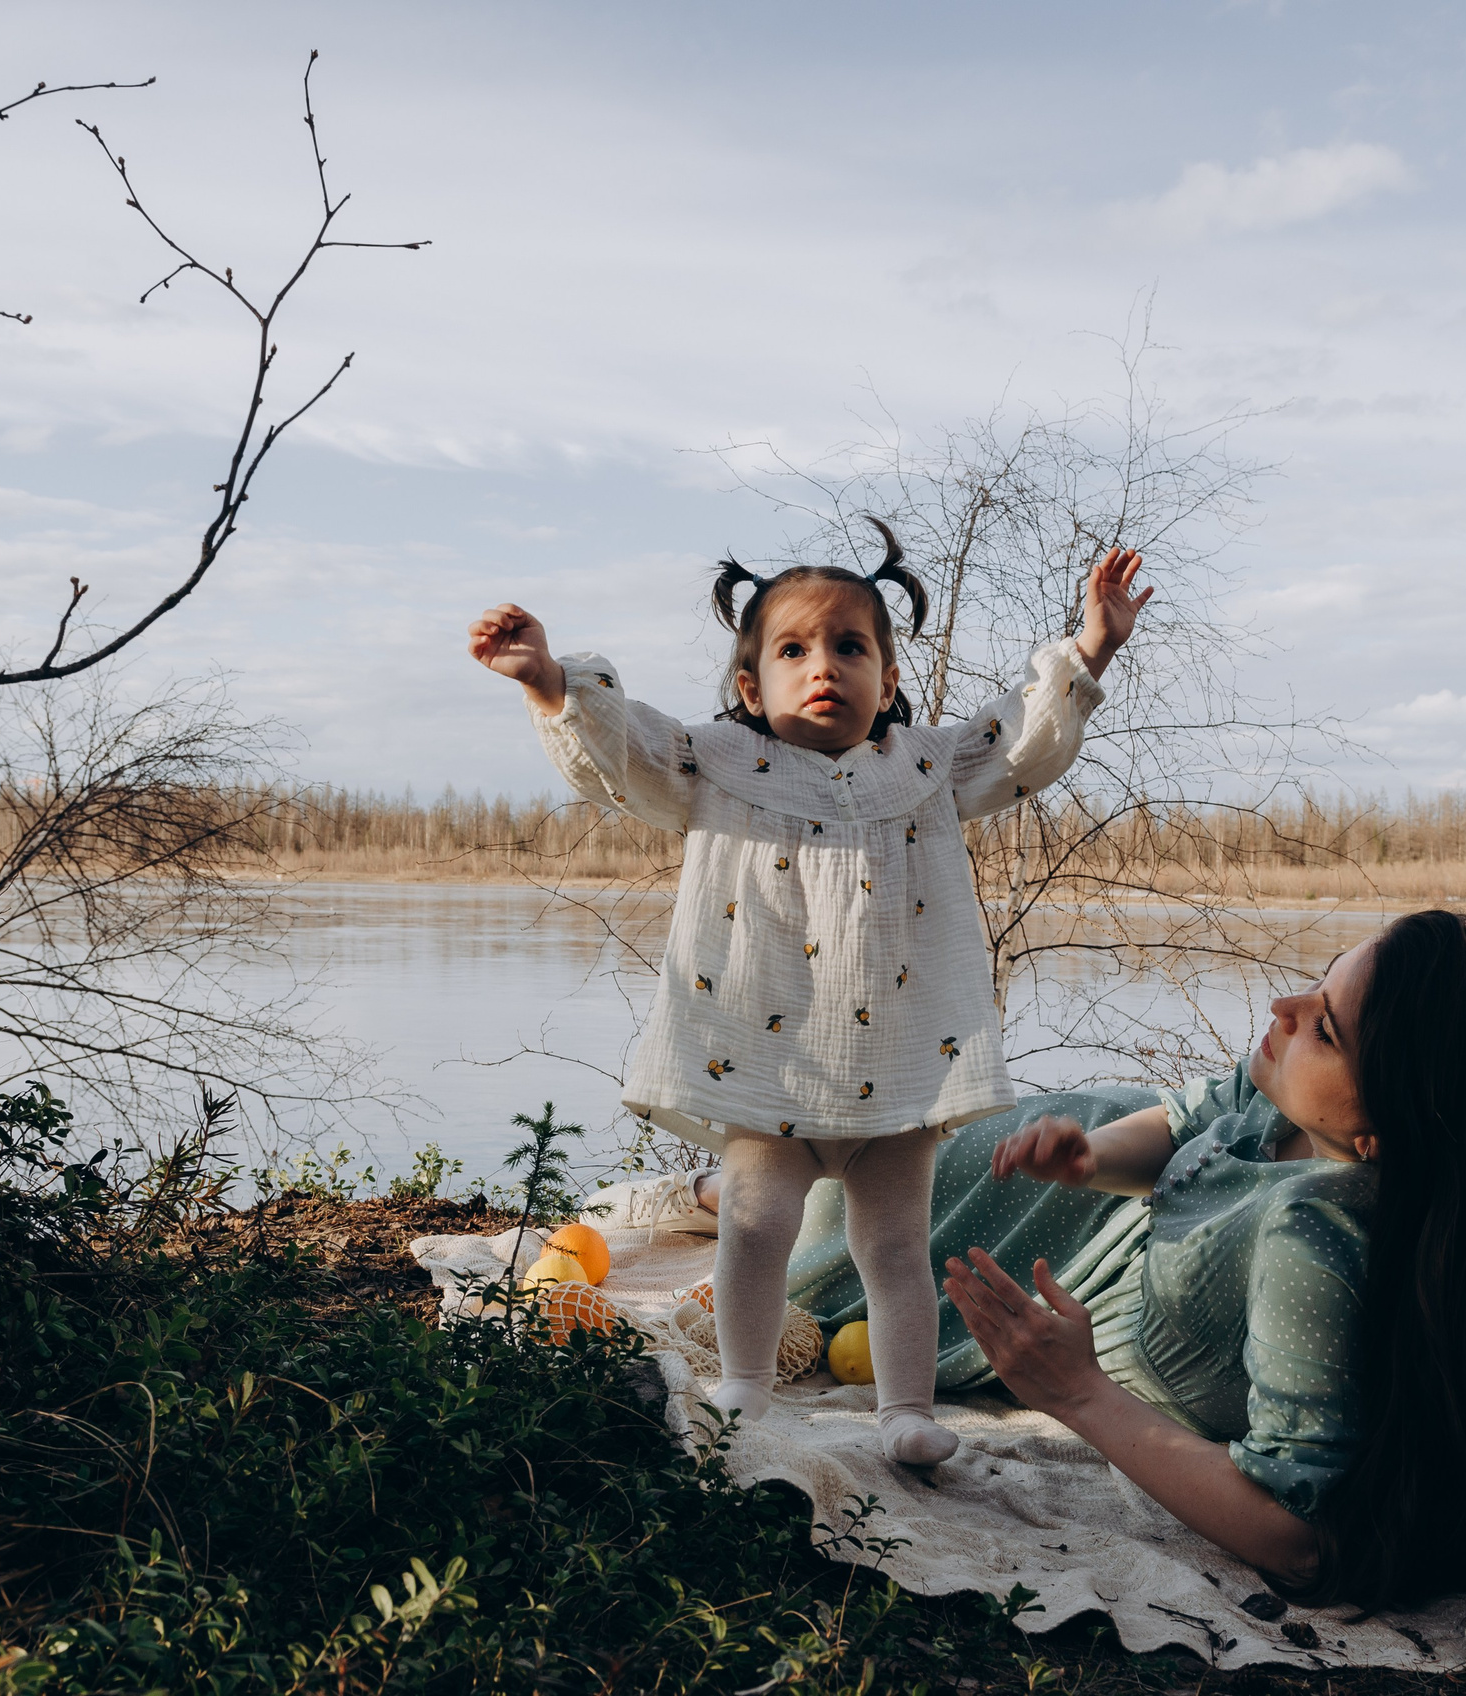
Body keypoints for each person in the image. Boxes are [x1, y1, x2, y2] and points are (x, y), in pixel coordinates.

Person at [468, 521, 1151, 1466]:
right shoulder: (715, 763)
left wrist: (1090, 648)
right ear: (751, 686)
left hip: (899, 1065)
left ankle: (906, 1409)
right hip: (764, 1057)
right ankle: (743, 1384)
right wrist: (548, 681)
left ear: (891, 677)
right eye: (792, 650)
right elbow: (622, 755)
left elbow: (1020, 743)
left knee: (896, 1249)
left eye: (849, 646)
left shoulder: (925, 766)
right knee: (755, 1228)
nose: (822, 664)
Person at [670, 908, 1466, 1608]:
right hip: (1076, 1206)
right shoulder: (1302, 1101)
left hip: (1085, 1291)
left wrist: (1076, 1395)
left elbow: (1306, 1542)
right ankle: (721, 1190)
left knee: (847, 1234)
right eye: (1317, 985)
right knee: (877, 1166)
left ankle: (724, 1196)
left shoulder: (1316, 1237)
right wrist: (1092, 1159)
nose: (1283, 1007)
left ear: (1390, 1134)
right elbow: (1192, 1121)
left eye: (1324, 1027)